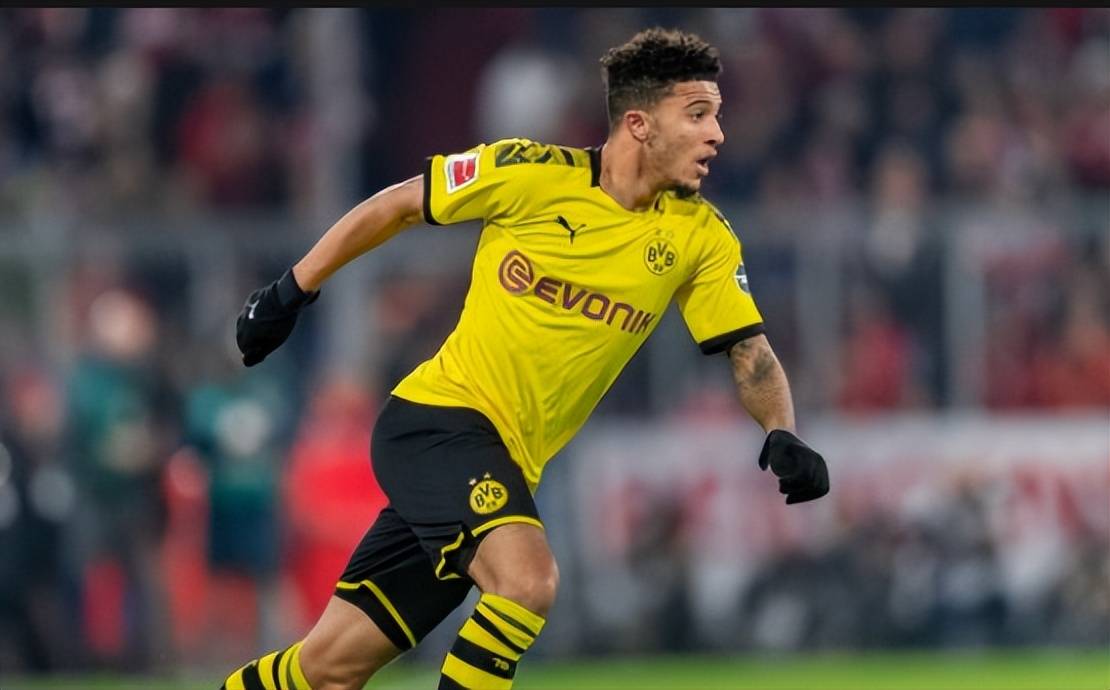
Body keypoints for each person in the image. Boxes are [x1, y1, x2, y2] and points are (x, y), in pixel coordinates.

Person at [223, 27, 830, 690]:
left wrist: (782, 430)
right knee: (527, 581)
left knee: (327, 670)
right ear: (639, 123)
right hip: (439, 424)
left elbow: (749, 350)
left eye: (716, 115)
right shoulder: (530, 173)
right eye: (697, 115)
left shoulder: (700, 236)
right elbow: (397, 206)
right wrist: (290, 291)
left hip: (504, 465)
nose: (716, 134)